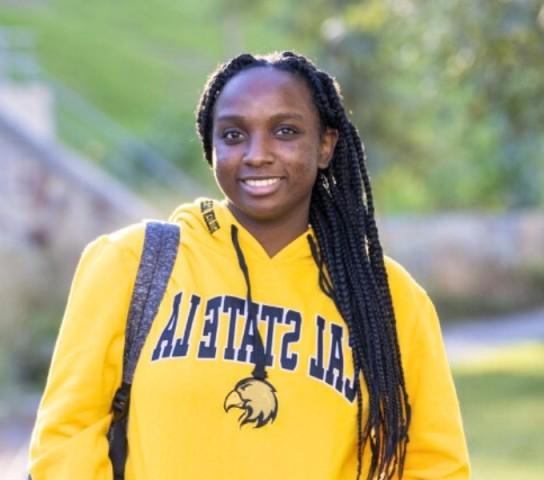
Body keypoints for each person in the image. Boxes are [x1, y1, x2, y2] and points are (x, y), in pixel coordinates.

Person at [28, 51, 470, 480]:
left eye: (285, 131)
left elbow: (433, 465)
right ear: (210, 146)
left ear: (325, 146)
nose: (257, 154)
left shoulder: (388, 299)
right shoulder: (130, 264)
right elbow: (66, 437)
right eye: (234, 135)